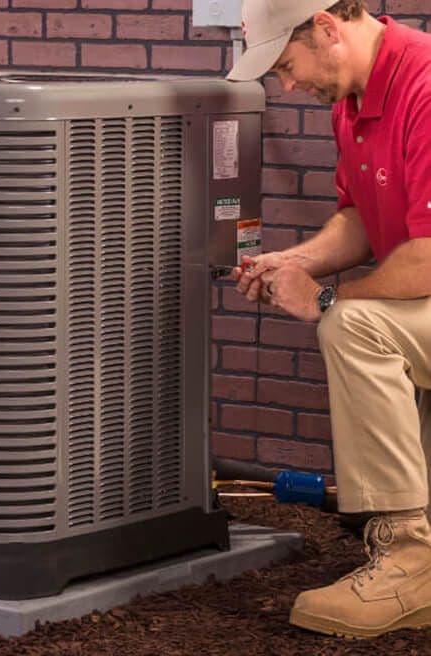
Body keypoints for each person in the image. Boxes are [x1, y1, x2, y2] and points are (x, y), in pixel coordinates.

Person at [226, 0, 431, 639]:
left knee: (351, 326)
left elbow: (428, 259)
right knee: (356, 318)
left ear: (326, 27)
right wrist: (298, 260)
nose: (288, 85)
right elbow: (364, 221)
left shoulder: (425, 87)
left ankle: (410, 561)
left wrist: (321, 300)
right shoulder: (353, 102)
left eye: (287, 65)